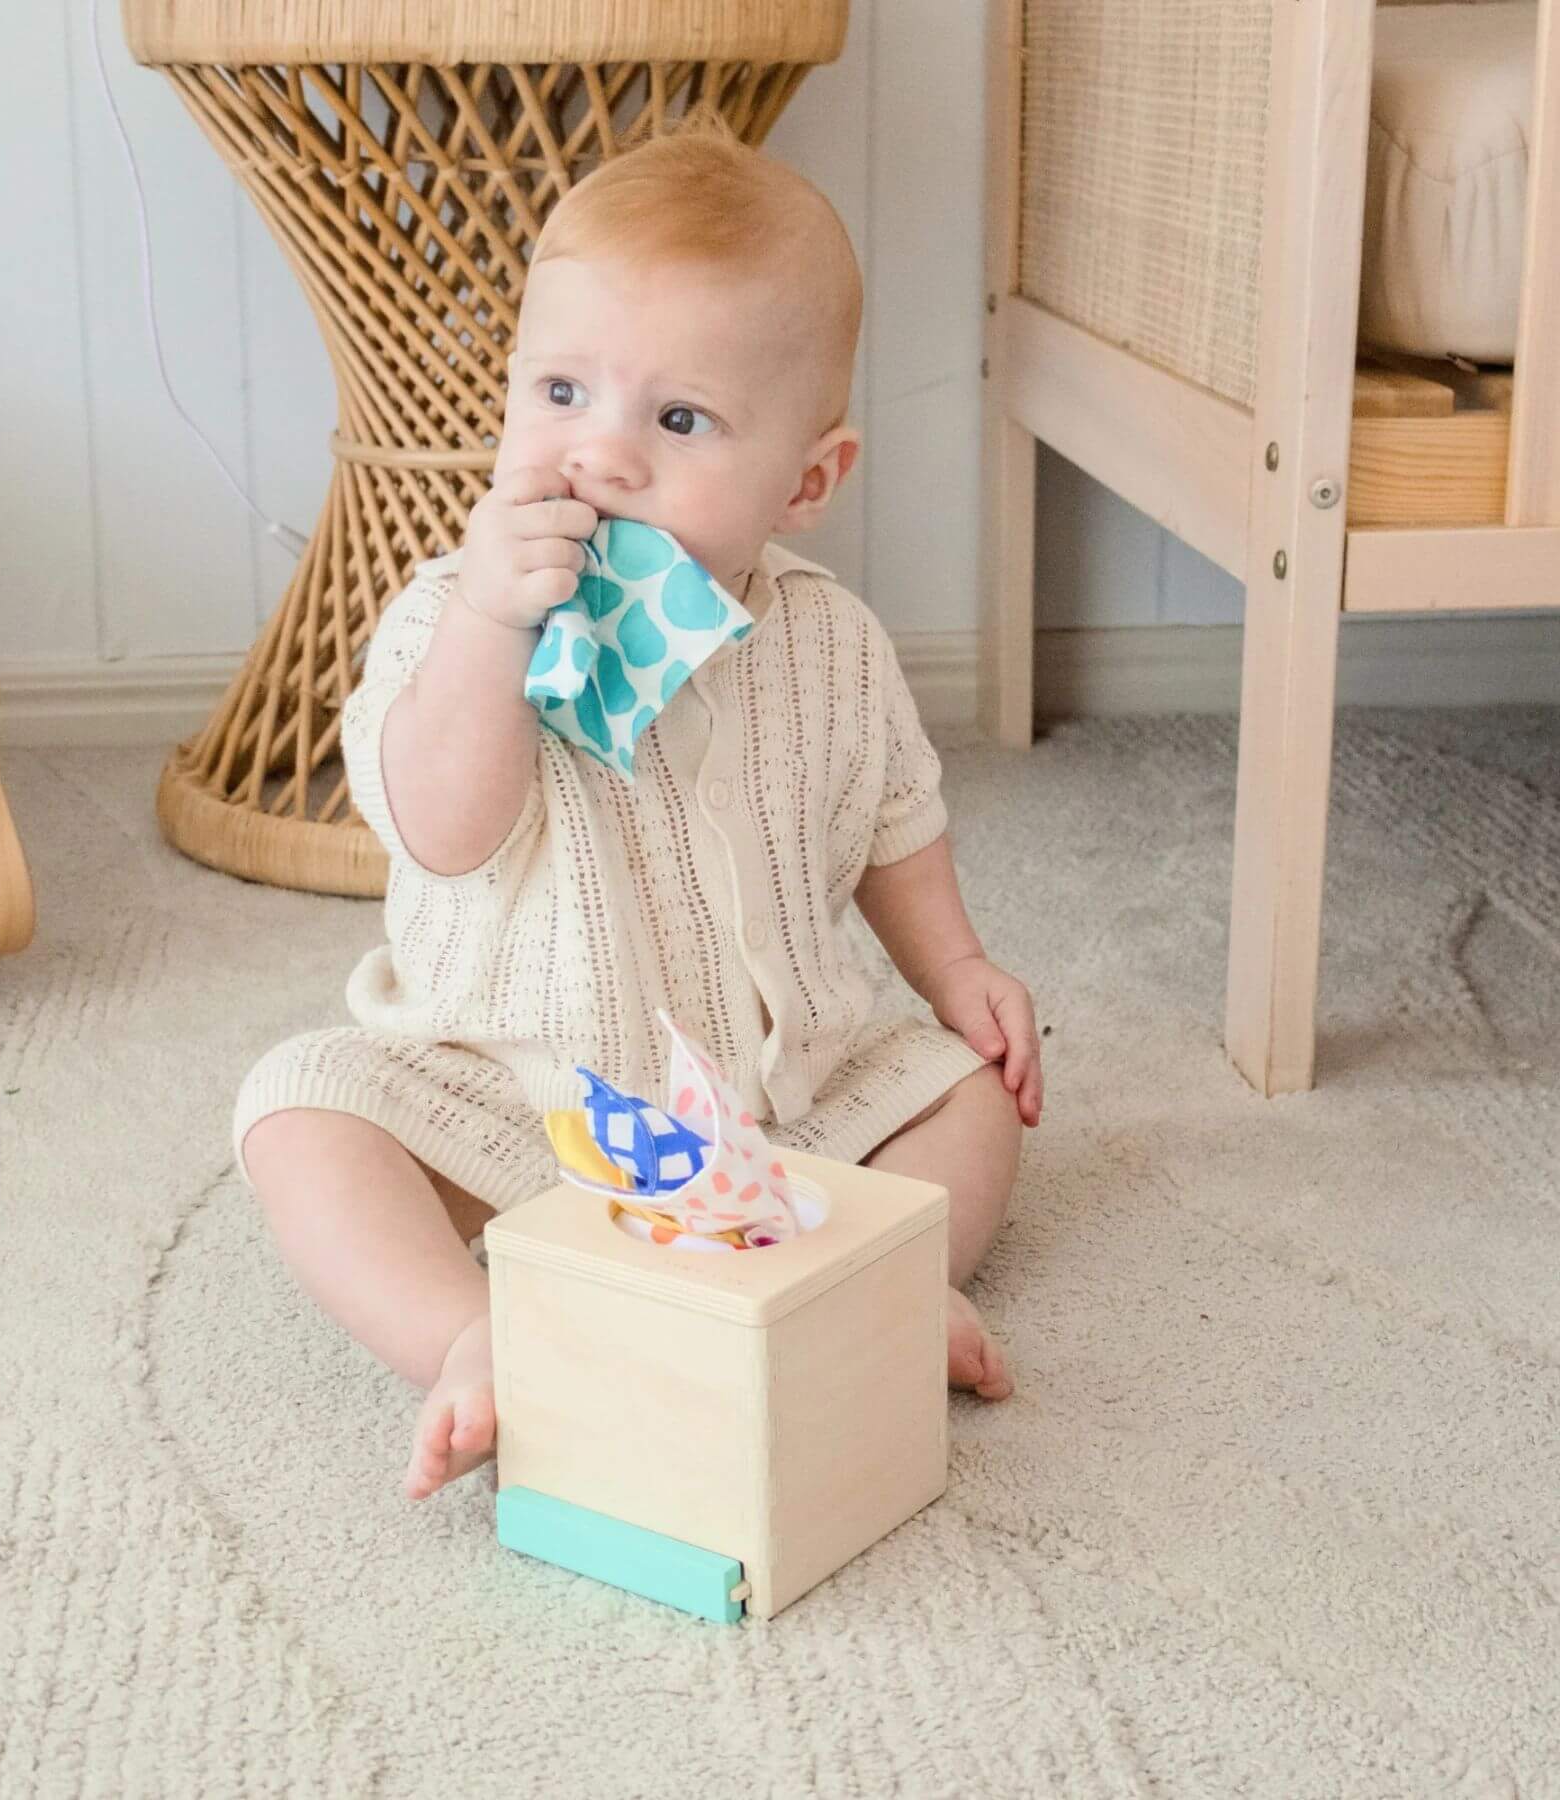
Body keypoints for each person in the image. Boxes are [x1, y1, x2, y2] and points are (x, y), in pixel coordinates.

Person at [235, 121, 1044, 1502]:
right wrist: (495, 629)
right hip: (517, 1104)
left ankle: (868, 1291)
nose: (599, 456)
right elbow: (444, 828)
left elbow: (894, 818)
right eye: (560, 391)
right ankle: (476, 1338)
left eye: (679, 422)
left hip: (777, 1111)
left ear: (805, 480)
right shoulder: (452, 617)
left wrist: (958, 966)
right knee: (299, 1112)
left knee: (969, 1099)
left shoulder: (831, 643)